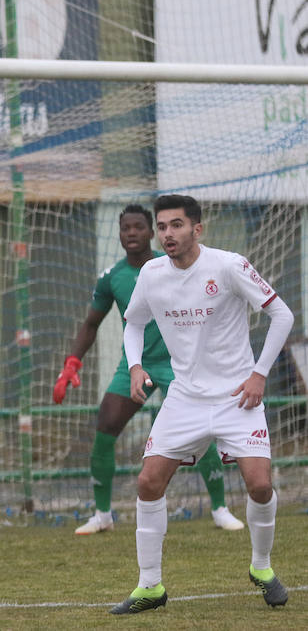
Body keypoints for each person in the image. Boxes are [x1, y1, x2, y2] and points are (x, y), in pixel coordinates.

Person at [110, 194, 293, 614]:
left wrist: (259, 373)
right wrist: (135, 366)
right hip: (185, 399)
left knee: (261, 485)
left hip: (237, 397)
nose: (167, 234)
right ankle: (150, 586)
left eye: (176, 225)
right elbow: (134, 322)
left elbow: (282, 314)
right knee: (147, 483)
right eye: (162, 227)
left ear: (197, 228)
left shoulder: (228, 265)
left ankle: (262, 568)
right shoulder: (152, 274)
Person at [54, 204, 242, 534]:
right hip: (136, 364)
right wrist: (72, 362)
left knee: (200, 430)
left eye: (139, 227)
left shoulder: (169, 265)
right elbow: (91, 323)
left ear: (150, 232)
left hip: (178, 365)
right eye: (126, 228)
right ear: (120, 233)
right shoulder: (113, 277)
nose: (132, 233)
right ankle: (102, 515)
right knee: (105, 425)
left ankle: (219, 508)